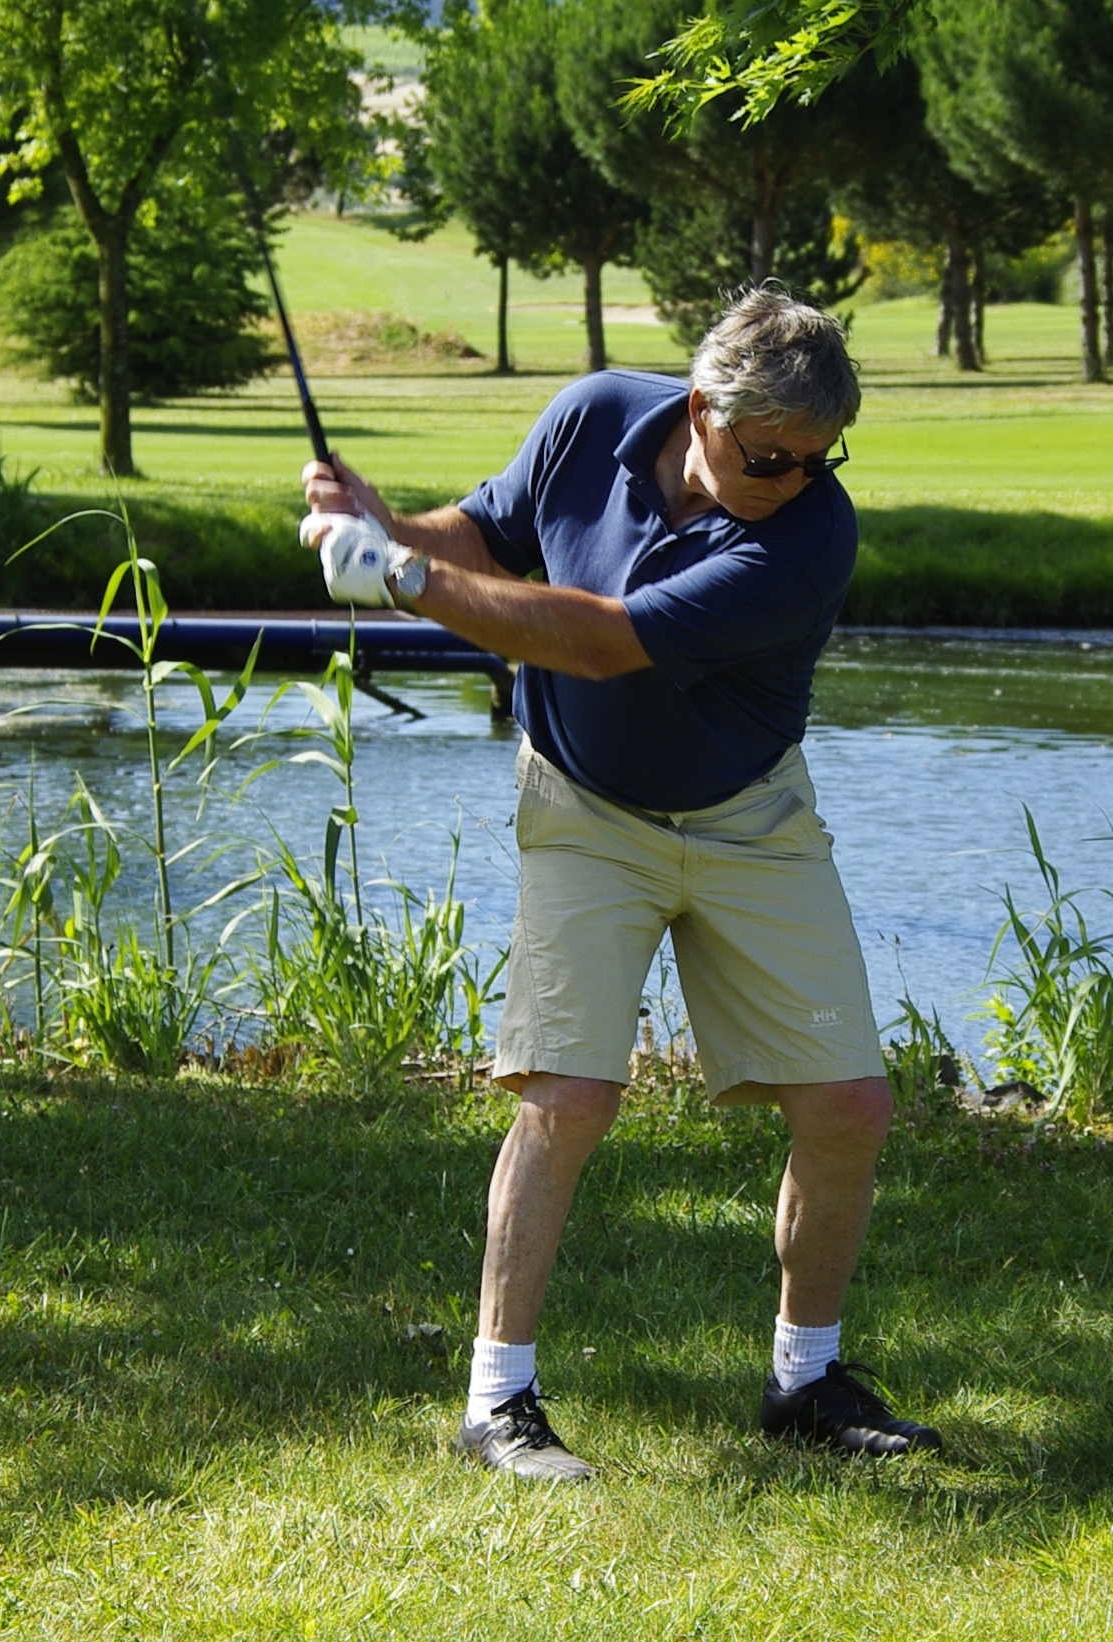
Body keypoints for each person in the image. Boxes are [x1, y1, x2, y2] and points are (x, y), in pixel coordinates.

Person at [294, 286, 934, 1482]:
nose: (795, 477)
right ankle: (499, 1402)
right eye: (770, 456)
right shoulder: (591, 416)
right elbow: (487, 534)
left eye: (815, 458)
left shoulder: (807, 536)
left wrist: (396, 582)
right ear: (699, 410)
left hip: (751, 815)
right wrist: (383, 525)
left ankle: (805, 1381)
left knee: (849, 1106)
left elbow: (596, 639)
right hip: (586, 808)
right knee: (568, 1094)